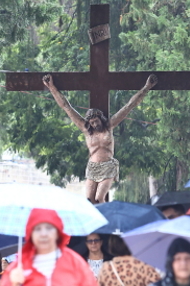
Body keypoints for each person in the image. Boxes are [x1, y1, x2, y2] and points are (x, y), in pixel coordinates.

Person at [43, 73, 157, 203]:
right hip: (92, 166)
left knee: (99, 198)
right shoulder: (86, 130)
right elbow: (66, 107)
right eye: (92, 122)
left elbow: (128, 106)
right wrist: (51, 87)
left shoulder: (109, 126)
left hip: (108, 166)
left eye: (96, 121)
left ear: (101, 119)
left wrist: (147, 87)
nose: (94, 124)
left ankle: (105, 221)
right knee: (88, 200)